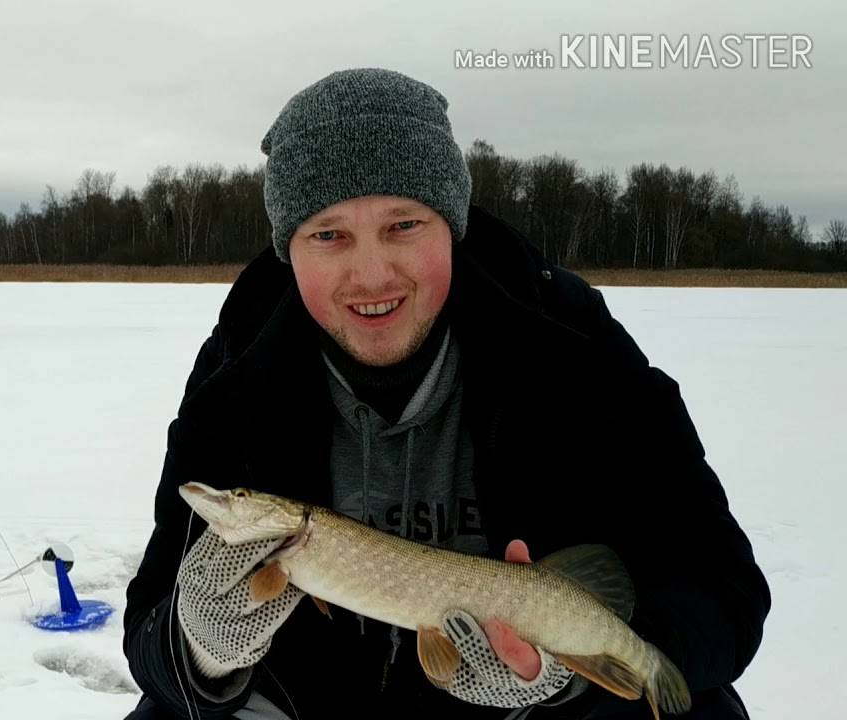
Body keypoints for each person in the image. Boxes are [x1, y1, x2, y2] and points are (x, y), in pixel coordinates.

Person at [121, 68, 769, 719]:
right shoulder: (240, 372)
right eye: (328, 234)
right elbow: (149, 633)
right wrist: (201, 647)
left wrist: (558, 674)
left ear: (450, 225)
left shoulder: (569, 345)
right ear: (290, 250)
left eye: (404, 224)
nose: (372, 274)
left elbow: (720, 592)